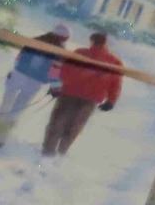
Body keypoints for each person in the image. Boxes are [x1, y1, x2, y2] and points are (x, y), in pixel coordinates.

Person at [42, 29, 125, 158]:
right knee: (75, 125)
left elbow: (63, 70)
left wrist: (55, 87)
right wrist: (111, 101)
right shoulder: (115, 62)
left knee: (58, 122)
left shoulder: (79, 53)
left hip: (69, 93)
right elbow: (116, 84)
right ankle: (61, 151)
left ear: (91, 41)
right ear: (106, 44)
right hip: (91, 98)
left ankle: (48, 151)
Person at [0, 24, 70, 145]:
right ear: (64, 37)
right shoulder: (59, 51)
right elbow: (55, 71)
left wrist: (15, 70)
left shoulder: (35, 40)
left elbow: (19, 58)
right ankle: (0, 138)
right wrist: (55, 88)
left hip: (18, 74)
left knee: (6, 103)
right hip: (34, 81)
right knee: (18, 108)